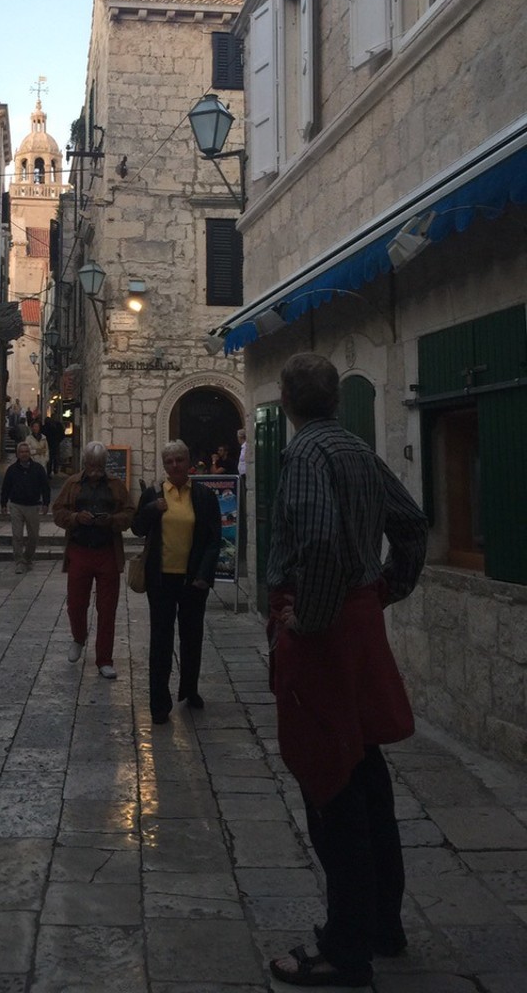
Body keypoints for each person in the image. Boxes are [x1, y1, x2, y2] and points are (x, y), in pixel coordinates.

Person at [265, 353, 427, 989]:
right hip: (360, 621)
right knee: (367, 777)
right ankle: (383, 923)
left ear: (287, 400)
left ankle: (344, 946)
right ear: (334, 398)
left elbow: (321, 542)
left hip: (325, 632)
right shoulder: (358, 449)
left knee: (331, 785)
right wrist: (386, 588)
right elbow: (411, 524)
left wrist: (311, 616)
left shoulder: (306, 454)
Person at [132, 440, 222, 724]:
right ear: (164, 464)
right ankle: (159, 702)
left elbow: (212, 540)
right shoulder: (153, 494)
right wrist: (151, 510)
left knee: (192, 636)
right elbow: (137, 529)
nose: (174, 466)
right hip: (161, 580)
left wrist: (203, 576)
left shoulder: (204, 496)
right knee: (160, 640)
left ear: (188, 462)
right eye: (169, 462)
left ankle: (190, 689)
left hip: (192, 580)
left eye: (179, 461)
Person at [52, 441, 135, 679]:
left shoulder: (116, 486)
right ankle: (78, 637)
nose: (96, 470)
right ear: (85, 464)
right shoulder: (73, 484)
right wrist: (77, 517)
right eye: (92, 465)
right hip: (80, 550)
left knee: (107, 608)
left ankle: (104, 659)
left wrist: (111, 520)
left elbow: (129, 513)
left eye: (100, 465)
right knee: (76, 604)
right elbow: (58, 512)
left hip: (107, 551)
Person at [0, 440, 51, 573]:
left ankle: (28, 557)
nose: (24, 454)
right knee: (17, 535)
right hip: (16, 505)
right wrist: (3, 503)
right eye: (21, 452)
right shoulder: (12, 470)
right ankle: (19, 561)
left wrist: (46, 503)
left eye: (26, 451)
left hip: (33, 506)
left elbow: (45, 487)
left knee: (33, 536)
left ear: (30, 453)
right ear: (17, 454)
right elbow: (5, 487)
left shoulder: (38, 469)